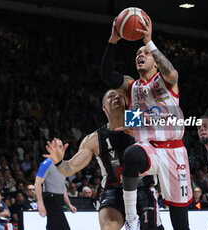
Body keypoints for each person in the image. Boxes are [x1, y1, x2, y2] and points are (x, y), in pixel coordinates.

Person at [100, 14, 192, 230]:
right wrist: (113, 40)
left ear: (155, 59)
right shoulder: (131, 86)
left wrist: (148, 41)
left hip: (174, 152)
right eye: (138, 54)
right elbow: (106, 75)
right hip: (149, 149)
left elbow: (171, 71)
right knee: (131, 155)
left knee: (181, 223)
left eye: (145, 53)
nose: (141, 55)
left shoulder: (166, 80)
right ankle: (131, 218)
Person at [44, 89, 163, 230]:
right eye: (112, 96)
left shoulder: (140, 120)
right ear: (104, 107)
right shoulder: (94, 139)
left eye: (120, 96)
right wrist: (58, 161)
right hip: (114, 190)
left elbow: (170, 128)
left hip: (143, 188)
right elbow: (69, 169)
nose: (117, 97)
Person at [34, 139, 77, 230]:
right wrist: (40, 204)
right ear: (52, 148)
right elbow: (37, 183)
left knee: (52, 227)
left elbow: (62, 186)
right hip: (51, 200)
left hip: (59, 200)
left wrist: (69, 204)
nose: (60, 148)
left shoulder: (63, 165)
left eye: (61, 146)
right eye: (57, 146)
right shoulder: (47, 163)